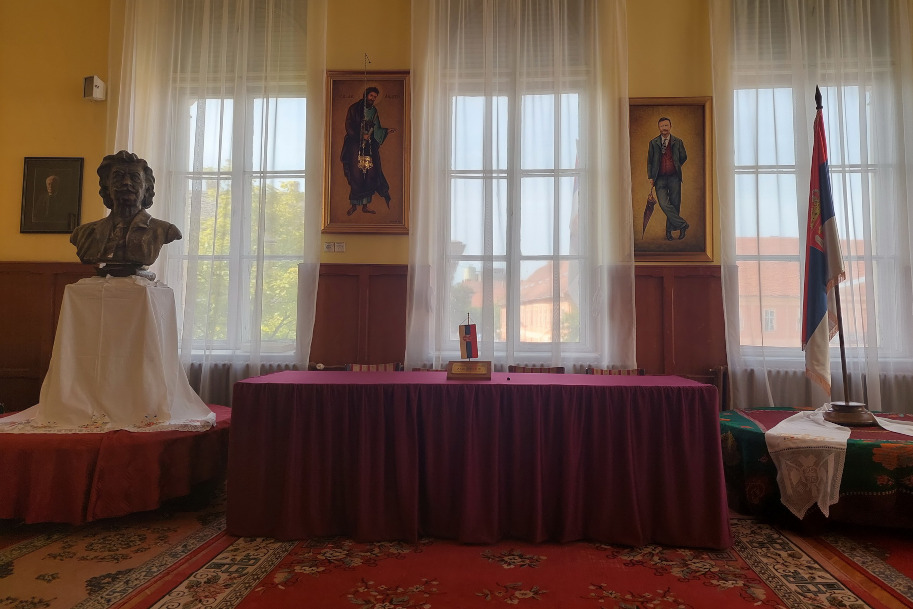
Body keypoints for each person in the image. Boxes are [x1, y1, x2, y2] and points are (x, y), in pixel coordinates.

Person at [70, 150, 181, 280]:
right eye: (118, 177)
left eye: (135, 178)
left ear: (147, 189)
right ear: (106, 186)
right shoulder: (84, 234)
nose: (126, 182)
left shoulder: (164, 230)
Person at [340, 86, 397, 216]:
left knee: (369, 174)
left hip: (369, 147)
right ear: (366, 95)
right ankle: (354, 205)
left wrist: (385, 131)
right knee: (356, 174)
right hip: (355, 146)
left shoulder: (374, 111)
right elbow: (349, 126)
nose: (373, 98)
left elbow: (376, 128)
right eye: (371, 96)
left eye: (375, 97)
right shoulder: (354, 108)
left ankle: (365, 206)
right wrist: (361, 136)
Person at [647, 116, 689, 240]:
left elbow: (683, 156)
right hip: (659, 178)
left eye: (666, 125)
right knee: (664, 204)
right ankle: (683, 224)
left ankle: (669, 232)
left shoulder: (678, 142)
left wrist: (675, 165)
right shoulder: (653, 143)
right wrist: (651, 177)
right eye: (662, 126)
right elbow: (650, 161)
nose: (664, 128)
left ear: (670, 126)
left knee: (675, 204)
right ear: (659, 128)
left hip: (674, 177)